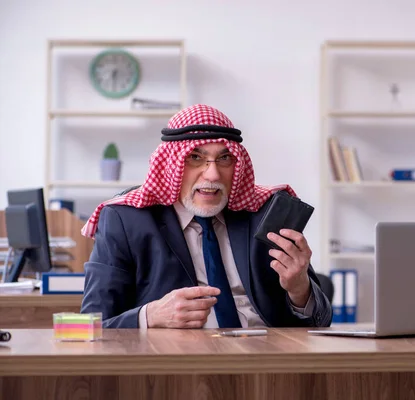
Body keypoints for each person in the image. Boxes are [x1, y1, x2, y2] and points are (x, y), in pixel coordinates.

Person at [80, 104, 333, 329]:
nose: (212, 175)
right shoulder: (124, 220)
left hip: (266, 361)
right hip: (177, 368)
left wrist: (300, 290)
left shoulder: (265, 214)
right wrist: (150, 316)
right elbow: (91, 324)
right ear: (171, 164)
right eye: (195, 157)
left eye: (224, 158)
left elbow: (321, 320)